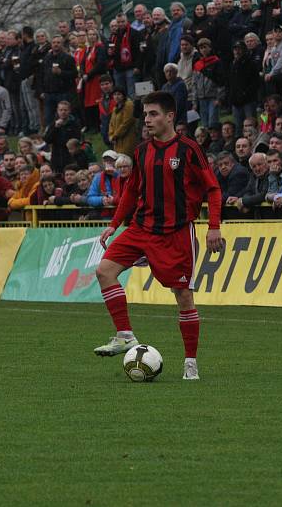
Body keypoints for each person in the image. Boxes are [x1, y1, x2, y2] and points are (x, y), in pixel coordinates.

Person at [94, 91, 223, 381]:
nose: (148, 119)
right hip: (141, 229)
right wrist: (115, 224)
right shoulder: (141, 151)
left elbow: (213, 189)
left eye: (153, 114)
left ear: (169, 116)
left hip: (175, 233)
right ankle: (125, 334)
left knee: (183, 296)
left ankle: (190, 361)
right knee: (104, 271)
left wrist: (214, 226)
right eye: (146, 114)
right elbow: (131, 191)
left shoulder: (189, 149)